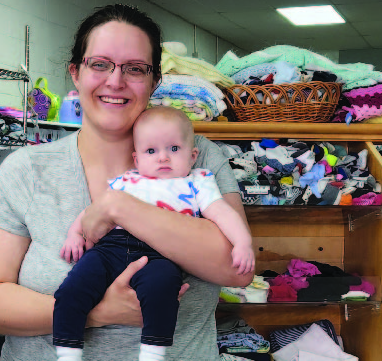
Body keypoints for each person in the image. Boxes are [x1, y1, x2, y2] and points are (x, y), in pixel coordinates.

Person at [0, 4, 254, 361]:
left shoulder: (196, 155)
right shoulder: (26, 169)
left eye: (135, 69)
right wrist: (100, 312)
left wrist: (118, 206)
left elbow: (236, 267)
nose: (115, 81)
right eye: (99, 64)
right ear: (75, 73)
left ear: (154, 81)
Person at [52, 107, 255, 361]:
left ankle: (152, 353)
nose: (163, 158)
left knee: (164, 289)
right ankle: (67, 353)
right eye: (151, 151)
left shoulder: (197, 182)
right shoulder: (128, 180)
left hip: (160, 253)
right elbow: (90, 211)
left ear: (193, 156)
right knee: (73, 287)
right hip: (111, 248)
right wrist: (74, 234)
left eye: (173, 149)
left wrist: (242, 243)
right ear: (137, 160)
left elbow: (223, 214)